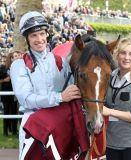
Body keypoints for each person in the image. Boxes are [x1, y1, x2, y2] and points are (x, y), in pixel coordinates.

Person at [10, 11, 81, 159]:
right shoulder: (19, 65)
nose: (39, 39)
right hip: (33, 125)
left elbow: (73, 94)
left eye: (42, 33)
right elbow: (27, 99)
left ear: (47, 34)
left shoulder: (62, 62)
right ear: (27, 39)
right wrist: (60, 97)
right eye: (33, 35)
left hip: (61, 124)